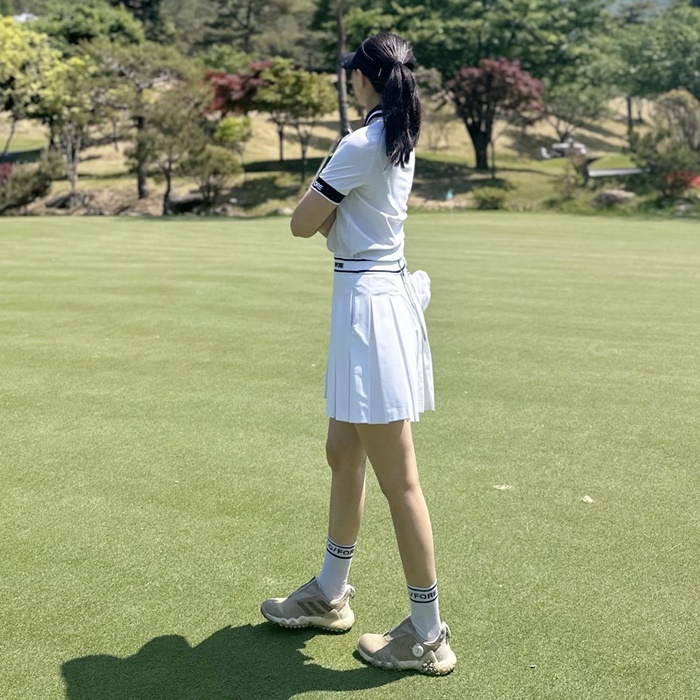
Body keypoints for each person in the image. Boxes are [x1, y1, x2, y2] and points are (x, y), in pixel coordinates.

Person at [260, 31, 456, 676]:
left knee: (400, 481)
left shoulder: (361, 143)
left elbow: (301, 222)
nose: (350, 79)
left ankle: (427, 633)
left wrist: (324, 195)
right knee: (343, 453)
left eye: (353, 73)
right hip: (372, 300)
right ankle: (330, 591)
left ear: (364, 78)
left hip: (369, 311)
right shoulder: (395, 136)